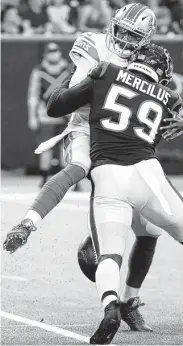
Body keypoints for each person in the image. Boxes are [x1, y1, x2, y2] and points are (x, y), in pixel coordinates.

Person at [4, 3, 160, 332]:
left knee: (149, 228)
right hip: (87, 128)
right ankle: (28, 223)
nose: (122, 39)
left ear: (145, 41)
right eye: (120, 30)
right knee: (79, 165)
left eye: (132, 36)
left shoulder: (149, 64)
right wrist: (92, 82)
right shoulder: (96, 45)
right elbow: (61, 99)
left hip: (122, 140)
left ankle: (129, 300)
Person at [41, 44, 183, 344]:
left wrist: (76, 74)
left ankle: (112, 304)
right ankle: (130, 301)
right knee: (154, 231)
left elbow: (54, 105)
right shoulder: (169, 98)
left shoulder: (105, 72)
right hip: (148, 174)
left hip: (108, 174)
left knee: (110, 253)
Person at [27, 42, 70, 187]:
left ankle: (67, 181)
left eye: (56, 51)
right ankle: (44, 178)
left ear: (60, 52)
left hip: (66, 115)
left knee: (66, 149)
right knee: (46, 147)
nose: (53, 54)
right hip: (46, 116)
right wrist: (32, 117)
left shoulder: (69, 69)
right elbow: (33, 95)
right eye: (50, 52)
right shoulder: (39, 71)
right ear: (46, 54)